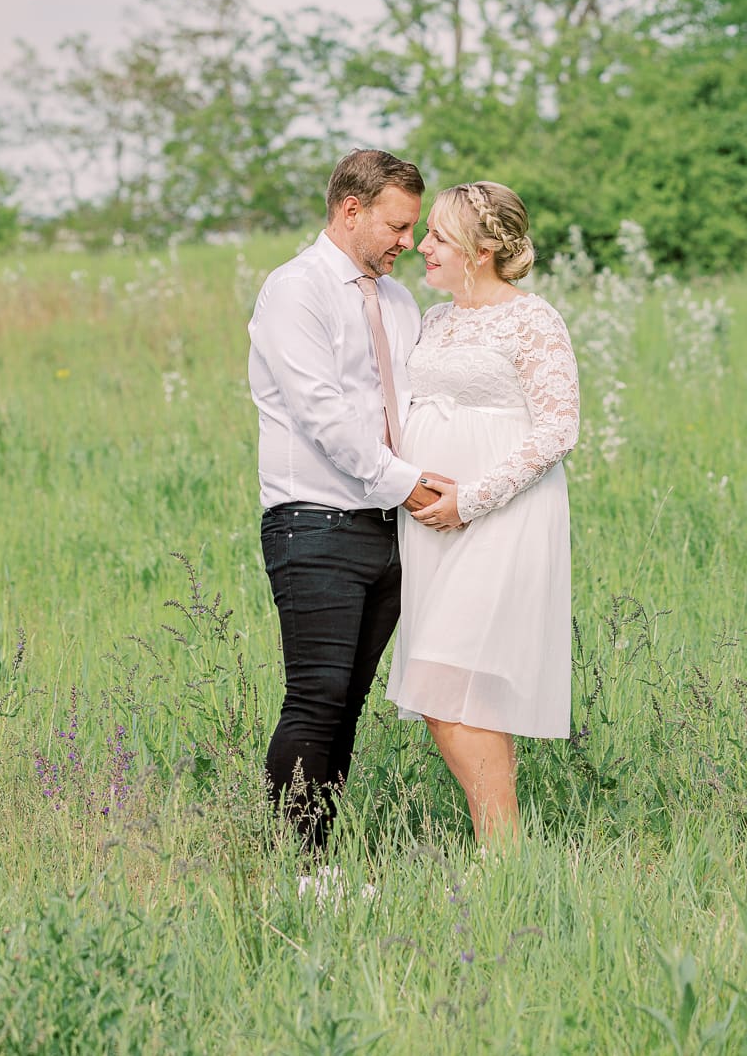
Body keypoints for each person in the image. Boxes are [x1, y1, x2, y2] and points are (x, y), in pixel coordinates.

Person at [248, 149, 454, 849]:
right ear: (351, 210)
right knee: (315, 698)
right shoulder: (294, 290)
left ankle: (320, 858)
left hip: (391, 528)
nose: (409, 241)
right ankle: (298, 867)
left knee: (347, 707)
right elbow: (322, 415)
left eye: (414, 227)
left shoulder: (397, 301)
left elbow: (420, 404)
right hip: (315, 522)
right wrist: (413, 483)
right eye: (398, 225)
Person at [386, 181, 579, 846]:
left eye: (438, 234)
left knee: (443, 680)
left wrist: (471, 499)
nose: (423, 245)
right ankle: (502, 853)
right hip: (430, 527)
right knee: (454, 689)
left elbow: (558, 428)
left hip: (502, 517)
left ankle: (505, 848)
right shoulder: (434, 320)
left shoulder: (533, 319)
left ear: (485, 247)